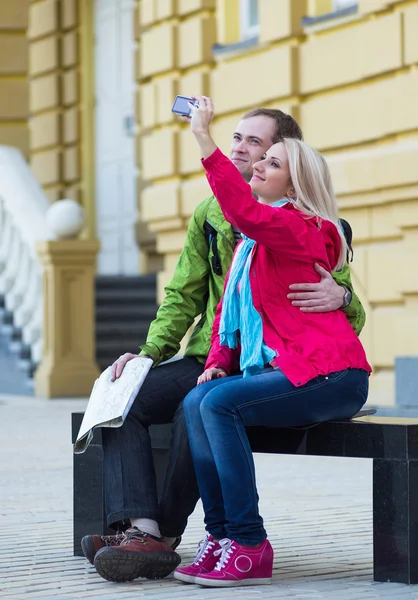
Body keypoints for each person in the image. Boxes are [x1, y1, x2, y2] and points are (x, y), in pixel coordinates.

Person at [88, 107, 366, 584]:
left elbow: (344, 309)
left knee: (207, 406)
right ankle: (167, 532)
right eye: (235, 139)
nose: (244, 153)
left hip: (308, 365)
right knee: (157, 395)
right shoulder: (239, 237)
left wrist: (342, 296)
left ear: (294, 176)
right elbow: (213, 309)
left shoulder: (309, 226)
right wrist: (172, 356)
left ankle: (226, 538)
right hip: (252, 362)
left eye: (261, 150)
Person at [173, 96, 371, 588]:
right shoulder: (253, 245)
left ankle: (248, 542)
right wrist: (218, 360)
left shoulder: (307, 228)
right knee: (200, 397)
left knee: (219, 407)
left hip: (333, 376)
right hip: (287, 372)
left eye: (272, 162)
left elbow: (243, 211)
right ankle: (219, 537)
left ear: (296, 181)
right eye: (260, 159)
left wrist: (203, 137)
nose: (258, 164)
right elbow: (228, 313)